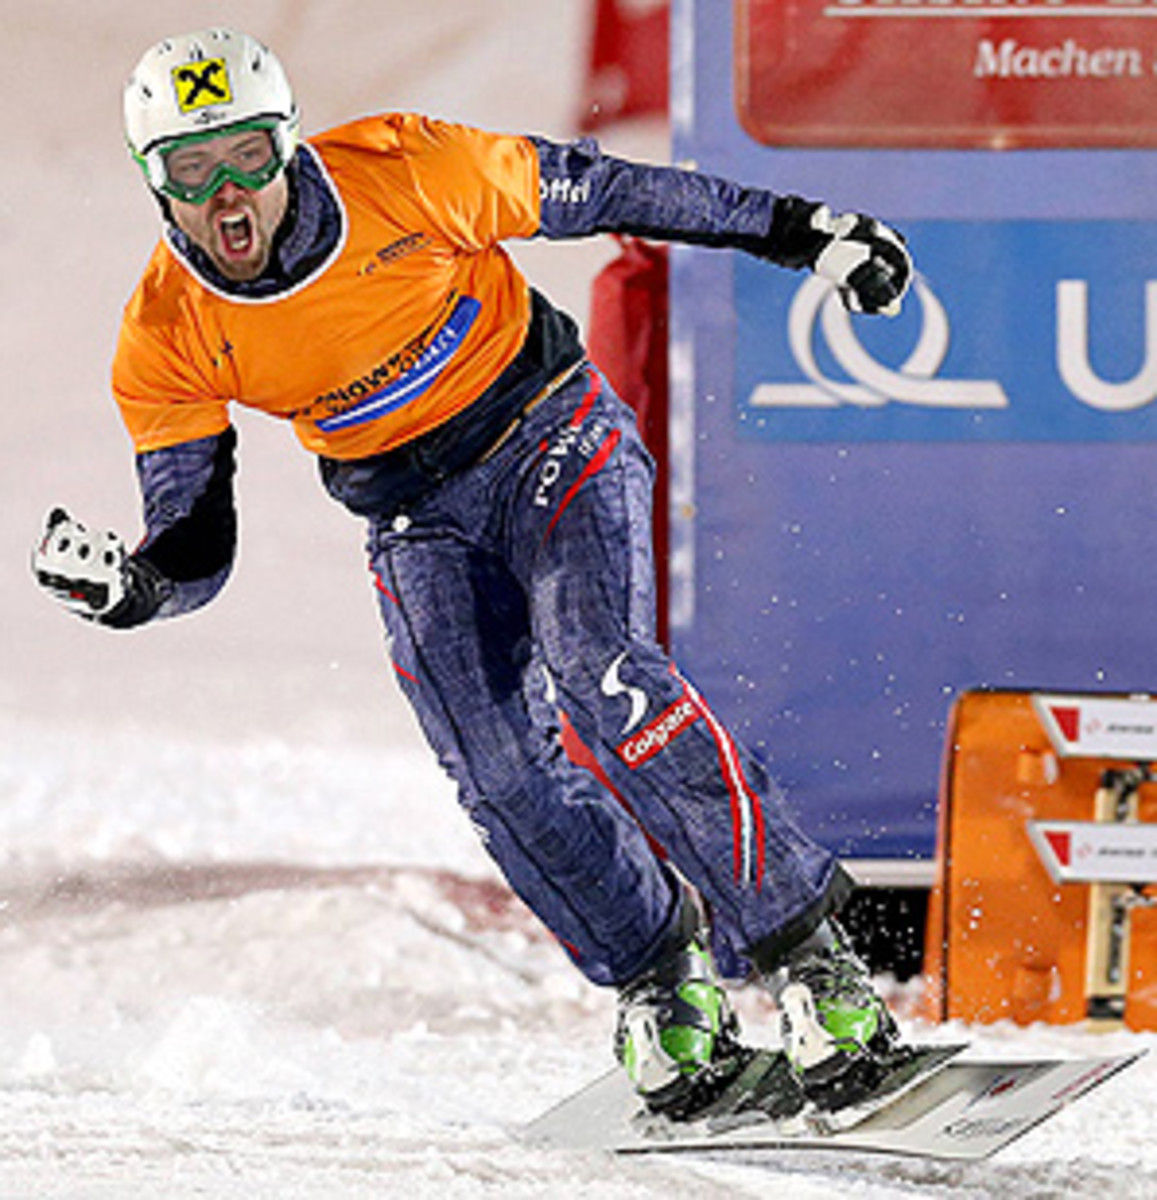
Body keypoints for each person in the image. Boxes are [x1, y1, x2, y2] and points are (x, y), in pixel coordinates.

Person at [33, 29, 913, 1117]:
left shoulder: (405, 171)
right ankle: (660, 978)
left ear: (290, 144)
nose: (229, 200)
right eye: (191, 172)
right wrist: (137, 590)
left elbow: (604, 188)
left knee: (606, 679)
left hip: (549, 438)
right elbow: (195, 537)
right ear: (151, 185)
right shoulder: (164, 330)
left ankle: (811, 961)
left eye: (250, 157)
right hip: (411, 516)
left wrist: (801, 232)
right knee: (495, 772)